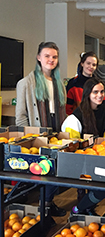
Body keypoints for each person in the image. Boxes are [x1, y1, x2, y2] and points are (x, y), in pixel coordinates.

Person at [15, 41, 67, 216]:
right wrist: (30, 139)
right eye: (47, 56)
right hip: (37, 132)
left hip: (56, 130)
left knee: (56, 170)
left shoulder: (59, 83)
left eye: (54, 57)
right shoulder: (26, 83)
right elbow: (20, 116)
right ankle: (35, 205)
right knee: (44, 170)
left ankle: (47, 203)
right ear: (38, 57)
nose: (51, 60)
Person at [67, 77, 105, 215]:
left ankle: (82, 207)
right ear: (87, 94)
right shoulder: (75, 118)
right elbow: (71, 149)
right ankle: (83, 208)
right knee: (103, 186)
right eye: (95, 92)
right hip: (78, 162)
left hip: (99, 158)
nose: (100, 95)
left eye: (102, 92)